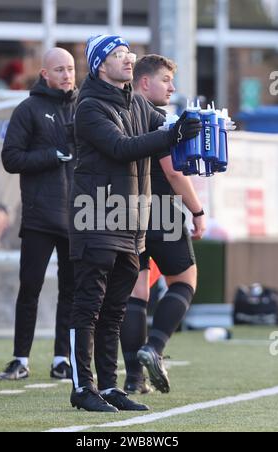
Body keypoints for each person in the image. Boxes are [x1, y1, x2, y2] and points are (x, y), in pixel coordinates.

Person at [68, 35, 202, 412]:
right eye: (116, 55)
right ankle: (82, 389)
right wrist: (172, 133)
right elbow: (121, 147)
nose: (128, 60)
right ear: (99, 65)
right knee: (88, 308)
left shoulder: (138, 104)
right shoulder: (90, 106)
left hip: (132, 225)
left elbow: (172, 129)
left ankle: (110, 387)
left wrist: (204, 130)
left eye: (128, 54)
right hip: (95, 216)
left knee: (114, 311)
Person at [120, 54, 206, 394]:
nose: (172, 87)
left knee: (136, 292)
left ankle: (133, 378)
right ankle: (154, 347)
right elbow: (173, 171)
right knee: (184, 281)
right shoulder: (158, 118)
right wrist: (197, 211)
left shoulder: (118, 113)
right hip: (162, 210)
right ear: (144, 82)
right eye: (165, 80)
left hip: (124, 211)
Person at [0, 48, 78, 381]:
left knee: (71, 292)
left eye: (70, 69)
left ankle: (63, 359)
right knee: (29, 288)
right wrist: (52, 155)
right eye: (59, 69)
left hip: (77, 218)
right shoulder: (28, 109)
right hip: (39, 218)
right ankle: (20, 359)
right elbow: (10, 159)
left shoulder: (84, 109)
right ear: (44, 73)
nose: (67, 75)